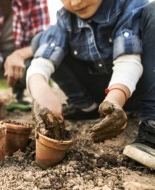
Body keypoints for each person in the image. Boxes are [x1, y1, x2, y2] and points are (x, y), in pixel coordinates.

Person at [28, 0, 155, 169]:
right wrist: (40, 90)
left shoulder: (128, 6)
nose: (75, 2)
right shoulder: (65, 19)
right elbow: (42, 62)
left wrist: (115, 99)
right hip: (101, 94)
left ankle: (152, 122)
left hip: (137, 88)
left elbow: (128, 61)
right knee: (40, 41)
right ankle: (87, 107)